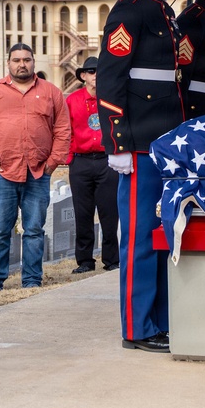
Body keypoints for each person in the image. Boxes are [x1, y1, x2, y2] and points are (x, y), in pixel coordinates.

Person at [97, 0, 188, 353]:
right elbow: (110, 83)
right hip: (139, 146)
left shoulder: (162, 12)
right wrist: (117, 145)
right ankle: (138, 327)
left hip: (165, 144)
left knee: (163, 232)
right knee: (139, 236)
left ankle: (162, 320)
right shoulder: (129, 11)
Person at [0, 43, 69, 291]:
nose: (21, 64)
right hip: (3, 173)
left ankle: (32, 279)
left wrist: (52, 162)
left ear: (34, 62)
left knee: (34, 230)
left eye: (26, 59)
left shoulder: (51, 92)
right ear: (8, 63)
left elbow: (63, 130)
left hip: (38, 172)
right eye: (16, 60)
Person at [66, 56, 119, 274]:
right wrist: (69, 158)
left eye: (98, 70)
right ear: (83, 76)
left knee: (109, 212)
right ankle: (85, 260)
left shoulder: (112, 98)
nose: (95, 74)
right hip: (81, 161)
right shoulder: (72, 100)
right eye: (90, 71)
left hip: (107, 161)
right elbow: (65, 129)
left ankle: (112, 259)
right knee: (83, 213)